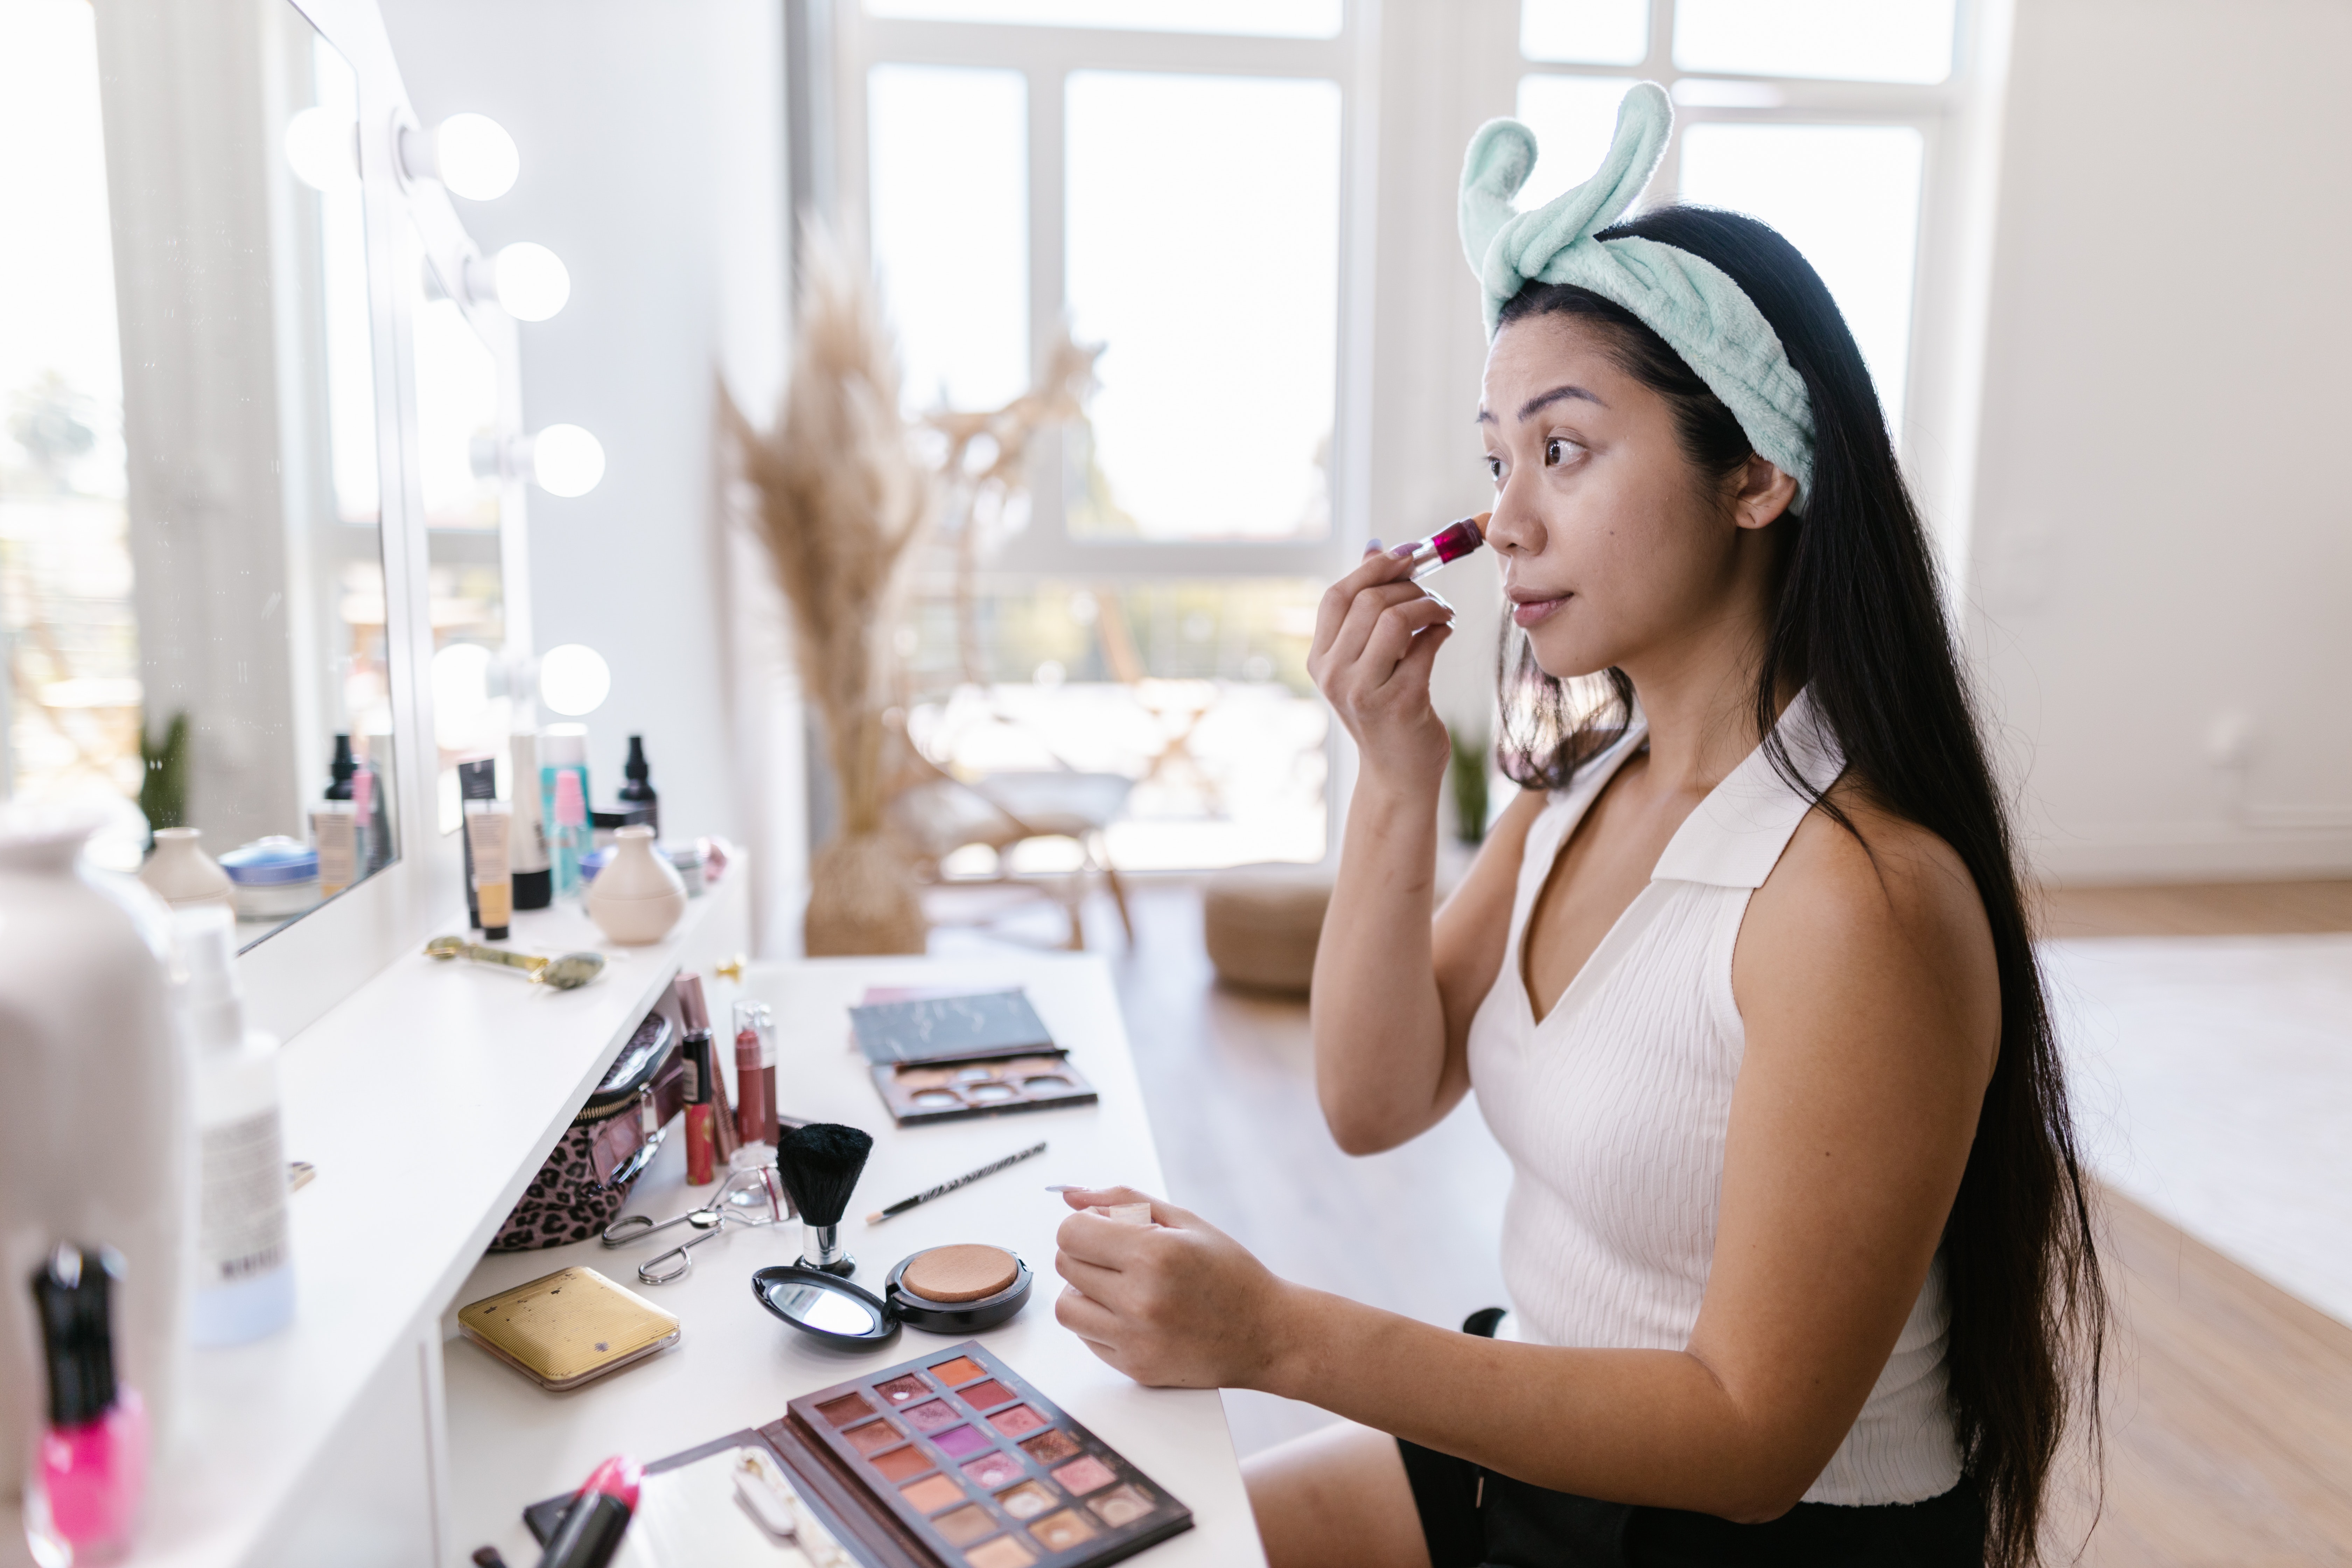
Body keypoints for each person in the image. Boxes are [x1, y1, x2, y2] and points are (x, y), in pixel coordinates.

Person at [1048, 83, 2104, 1568]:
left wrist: (1279, 1335)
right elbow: (1372, 1095)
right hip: (1536, 1440)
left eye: (1565, 450)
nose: (1505, 524)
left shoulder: (1855, 900)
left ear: (1756, 473)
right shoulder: (1593, 783)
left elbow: (1749, 1442)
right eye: (1496, 461)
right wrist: (1399, 774)